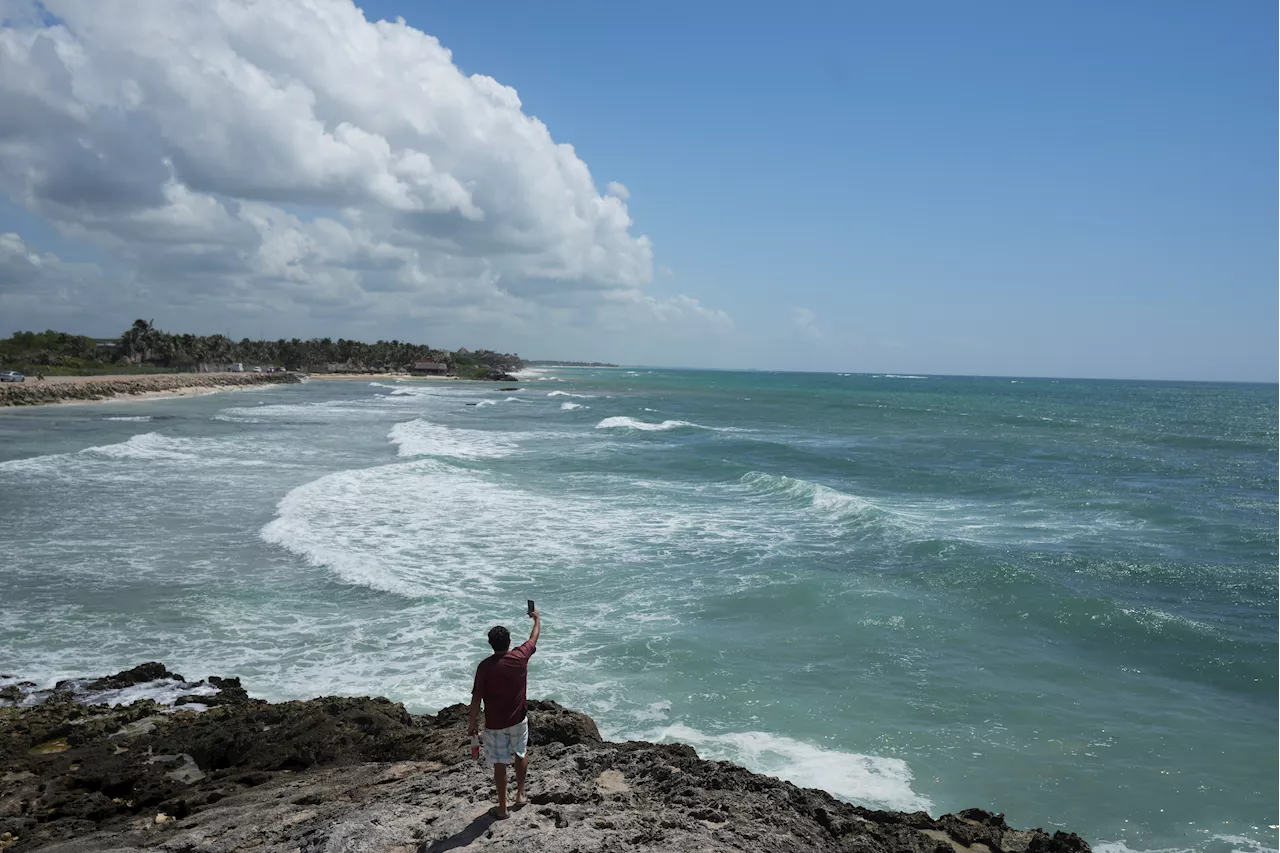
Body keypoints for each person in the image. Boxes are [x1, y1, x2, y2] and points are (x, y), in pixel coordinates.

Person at [468, 607, 540, 819]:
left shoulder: (484, 667)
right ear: (509, 642)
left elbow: (476, 699)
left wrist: (472, 723)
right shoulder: (520, 657)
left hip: (495, 724)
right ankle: (520, 793)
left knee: (500, 763)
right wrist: (536, 618)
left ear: (491, 644)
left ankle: (502, 808)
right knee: (520, 752)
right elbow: (533, 638)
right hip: (518, 719)